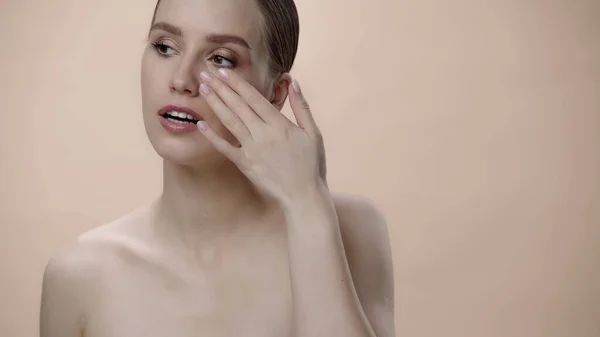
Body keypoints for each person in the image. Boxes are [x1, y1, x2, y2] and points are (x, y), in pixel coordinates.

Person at [39, 0, 395, 336]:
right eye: (165, 46)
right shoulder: (80, 275)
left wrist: (306, 204)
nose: (181, 79)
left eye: (221, 59)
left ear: (275, 93)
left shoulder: (348, 229)